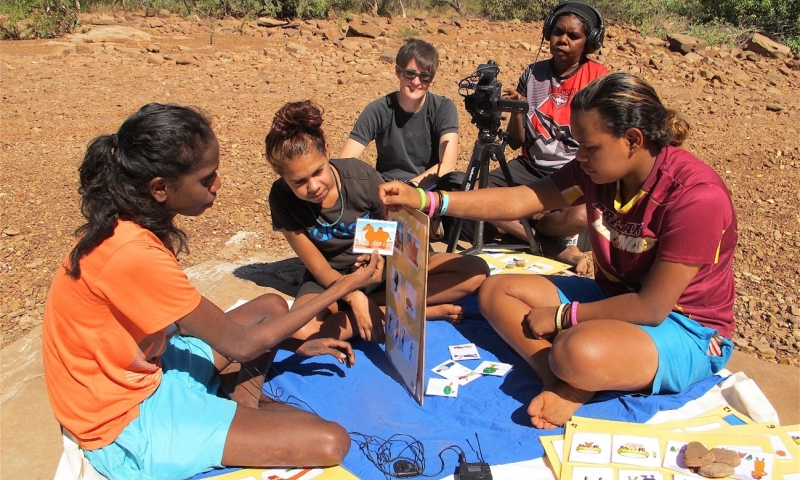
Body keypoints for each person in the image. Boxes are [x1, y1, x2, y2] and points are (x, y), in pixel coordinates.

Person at [42, 103, 385, 480]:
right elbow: (239, 347)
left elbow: (186, 325)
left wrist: (292, 342)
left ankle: (240, 405)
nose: (218, 184)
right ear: (160, 188)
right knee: (330, 441)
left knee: (272, 305)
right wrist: (348, 284)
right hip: (121, 418)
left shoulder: (128, 226)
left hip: (148, 368)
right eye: (207, 178)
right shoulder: (133, 252)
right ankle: (230, 412)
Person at [379, 73, 737, 430]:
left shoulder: (695, 198)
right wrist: (429, 200)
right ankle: (559, 380)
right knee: (496, 290)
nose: (579, 156)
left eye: (589, 147)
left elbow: (652, 307)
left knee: (576, 350)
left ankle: (574, 371)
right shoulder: (598, 171)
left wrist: (564, 316)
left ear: (632, 139)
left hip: (686, 328)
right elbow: (522, 199)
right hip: (613, 295)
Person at [267, 100, 488, 342]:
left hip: (382, 271)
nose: (313, 186)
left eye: (318, 172)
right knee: (301, 329)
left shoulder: (360, 177)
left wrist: (379, 259)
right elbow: (319, 268)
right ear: (284, 179)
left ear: (327, 151)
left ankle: (372, 309)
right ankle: (404, 310)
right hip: (333, 280)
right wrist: (352, 294)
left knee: (474, 271)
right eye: (299, 182)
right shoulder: (281, 197)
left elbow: (392, 233)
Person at [486, 1, 608, 273]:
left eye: (573, 36)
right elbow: (516, 142)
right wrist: (519, 109)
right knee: (474, 190)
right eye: (557, 32)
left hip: (574, 170)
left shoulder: (600, 79)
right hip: (529, 167)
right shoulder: (532, 74)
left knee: (580, 214)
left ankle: (524, 222)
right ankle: (547, 244)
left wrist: (548, 198)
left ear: (590, 42)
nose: (562, 40)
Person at [339, 38, 462, 192]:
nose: (416, 82)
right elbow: (345, 161)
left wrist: (408, 190)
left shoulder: (443, 108)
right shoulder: (378, 109)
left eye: (425, 77)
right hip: (386, 188)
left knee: (460, 181)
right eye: (410, 74)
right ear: (398, 71)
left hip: (428, 190)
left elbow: (447, 165)